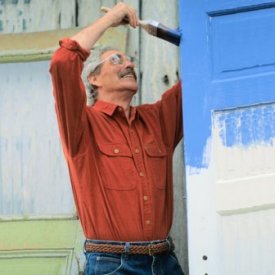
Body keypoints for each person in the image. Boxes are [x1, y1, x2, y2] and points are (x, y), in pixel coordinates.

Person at [50, 2, 184, 274]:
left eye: (131, 60)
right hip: (112, 265)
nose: (129, 64)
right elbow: (63, 61)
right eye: (116, 60)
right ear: (94, 78)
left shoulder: (158, 120)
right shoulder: (82, 126)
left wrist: (168, 33)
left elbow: (203, 67)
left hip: (165, 261)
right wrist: (110, 19)